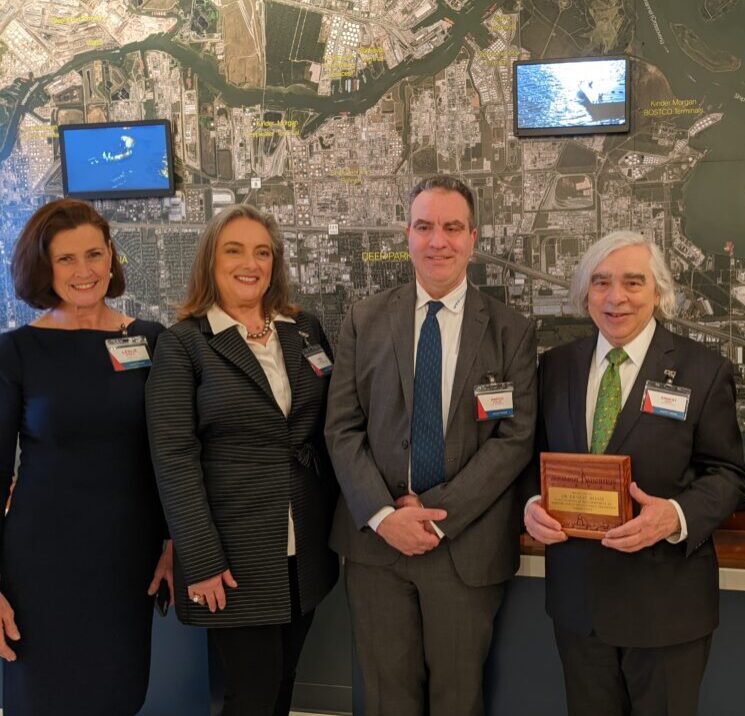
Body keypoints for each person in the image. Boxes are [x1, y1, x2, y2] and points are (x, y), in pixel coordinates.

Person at [325, 175, 537, 716]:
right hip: (377, 547)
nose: (437, 241)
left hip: (464, 548)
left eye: (451, 227)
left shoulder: (511, 330)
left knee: (457, 700)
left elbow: (513, 439)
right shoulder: (364, 319)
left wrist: (439, 514)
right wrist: (381, 515)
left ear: (473, 237)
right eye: (425, 227)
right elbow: (341, 428)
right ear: (407, 235)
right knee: (386, 698)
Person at [523, 230, 745, 716]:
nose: (616, 297)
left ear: (658, 293)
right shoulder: (556, 368)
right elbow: (530, 459)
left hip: (666, 610)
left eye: (633, 282)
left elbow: (729, 474)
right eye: (601, 282)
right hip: (579, 609)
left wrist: (673, 515)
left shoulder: (702, 370)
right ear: (585, 295)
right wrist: (530, 507)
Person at [146, 204, 338, 716]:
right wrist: (202, 560)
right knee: (250, 695)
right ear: (211, 260)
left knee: (283, 684)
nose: (249, 263)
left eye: (262, 252)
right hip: (232, 555)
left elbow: (331, 427)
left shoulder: (305, 329)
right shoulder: (184, 344)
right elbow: (173, 457)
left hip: (305, 546)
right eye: (234, 250)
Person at [0, 199, 172, 715]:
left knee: (118, 696)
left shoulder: (150, 340)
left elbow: (170, 456)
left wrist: (171, 543)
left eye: (94, 254)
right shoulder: (16, 352)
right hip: (39, 567)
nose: (84, 271)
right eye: (66, 259)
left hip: (126, 561)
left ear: (112, 258)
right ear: (43, 268)